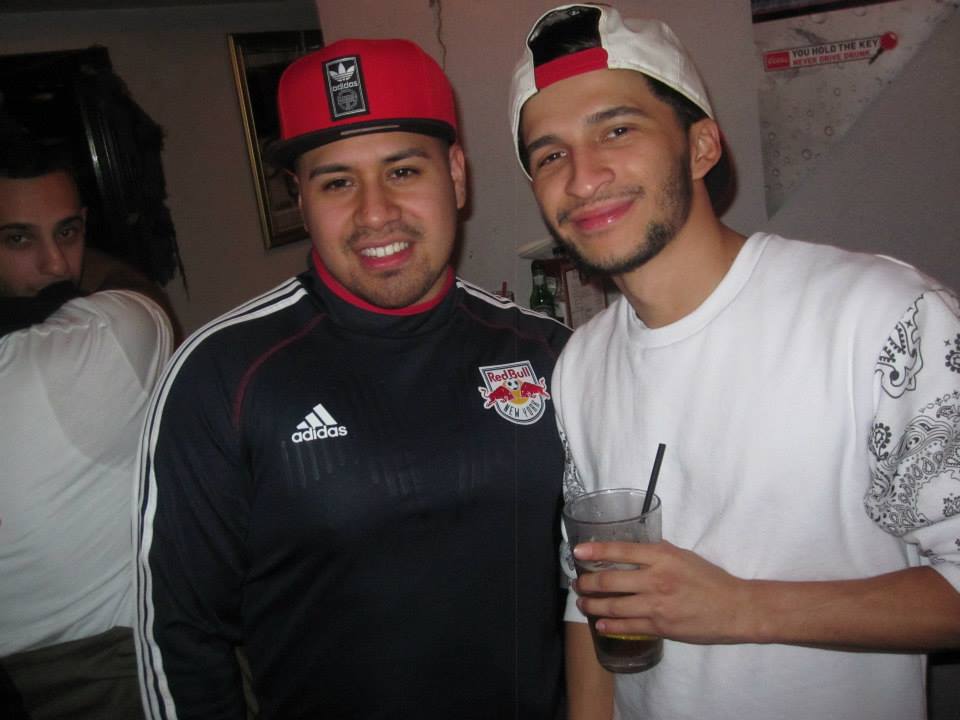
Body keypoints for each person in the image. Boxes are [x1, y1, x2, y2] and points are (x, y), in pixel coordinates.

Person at [508, 4, 960, 719]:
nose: (583, 178)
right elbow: (589, 590)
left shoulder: (882, 319)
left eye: (617, 130)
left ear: (700, 147)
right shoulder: (580, 364)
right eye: (550, 155)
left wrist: (739, 606)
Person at [135, 38, 569, 719]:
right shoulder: (222, 374)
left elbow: (596, 579)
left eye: (403, 170)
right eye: (336, 182)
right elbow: (181, 638)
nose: (374, 214)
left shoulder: (546, 352)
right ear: (301, 200)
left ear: (457, 176)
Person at [0, 130, 174, 718]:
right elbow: (138, 296)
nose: (54, 264)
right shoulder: (102, 338)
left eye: (67, 233)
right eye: (18, 238)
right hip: (111, 677)